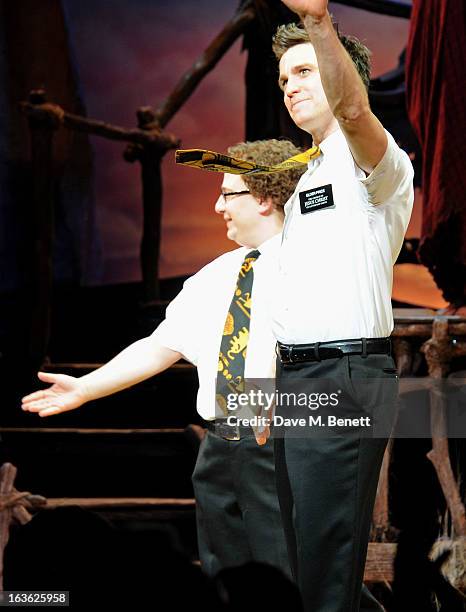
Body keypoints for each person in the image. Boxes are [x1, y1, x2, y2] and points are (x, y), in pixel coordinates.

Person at [21, 138, 306, 579]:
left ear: (265, 198)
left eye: (228, 194)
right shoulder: (218, 274)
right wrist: (86, 387)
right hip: (221, 441)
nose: (217, 206)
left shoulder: (309, 266)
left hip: (282, 438)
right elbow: (159, 345)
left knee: (290, 572)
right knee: (226, 572)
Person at [269, 2, 414, 611]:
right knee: (303, 557)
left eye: (304, 72)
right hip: (294, 375)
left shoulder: (371, 160)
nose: (290, 87)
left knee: (326, 563)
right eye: (282, 79)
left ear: (339, 73)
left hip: (344, 371)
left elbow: (354, 110)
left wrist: (318, 21)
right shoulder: (302, 175)